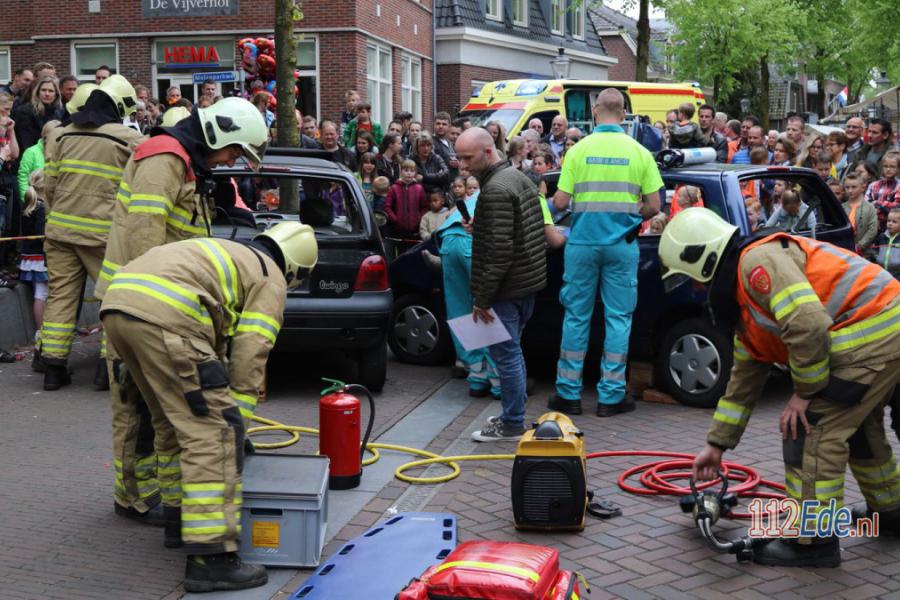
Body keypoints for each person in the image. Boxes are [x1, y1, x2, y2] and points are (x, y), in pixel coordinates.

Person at [660, 207, 900, 567]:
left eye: (692, 279)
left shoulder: (756, 264)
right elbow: (743, 381)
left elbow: (807, 324)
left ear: (704, 259)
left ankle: (812, 542)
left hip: (870, 331)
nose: (696, 289)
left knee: (809, 430)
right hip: (882, 328)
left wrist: (805, 393)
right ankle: (892, 510)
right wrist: (715, 445)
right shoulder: (744, 297)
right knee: (857, 427)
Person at [101, 222, 317, 592]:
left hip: (119, 305)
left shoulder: (229, 252)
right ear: (296, 269)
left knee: (170, 421)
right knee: (213, 433)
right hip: (166, 316)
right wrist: (238, 424)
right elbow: (251, 350)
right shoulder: (271, 277)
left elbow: (209, 344)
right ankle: (210, 559)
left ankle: (177, 520)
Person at [94, 96, 267, 533]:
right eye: (234, 151)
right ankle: (131, 497)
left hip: (158, 303)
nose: (231, 161)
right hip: (142, 303)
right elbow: (144, 237)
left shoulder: (187, 164)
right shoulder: (163, 158)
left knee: (159, 409)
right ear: (219, 136)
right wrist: (157, 306)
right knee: (134, 406)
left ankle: (159, 491)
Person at [547, 88, 662, 418]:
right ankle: (611, 396)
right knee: (618, 317)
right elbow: (654, 205)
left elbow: (560, 203)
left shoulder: (579, 151)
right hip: (621, 245)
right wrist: (627, 218)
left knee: (576, 316)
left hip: (582, 245)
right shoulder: (639, 152)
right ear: (623, 114)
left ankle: (568, 393)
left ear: (595, 112)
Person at [37, 75, 144, 391]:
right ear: (121, 107)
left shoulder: (62, 135)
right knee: (113, 299)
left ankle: (54, 368)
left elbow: (50, 186)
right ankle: (106, 370)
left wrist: (59, 216)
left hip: (60, 232)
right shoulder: (129, 139)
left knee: (61, 297)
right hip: (104, 236)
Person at [457, 127, 546, 441]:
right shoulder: (516, 177)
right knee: (513, 354)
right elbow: (518, 234)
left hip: (506, 289)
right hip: (525, 284)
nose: (462, 165)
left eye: (468, 157)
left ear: (488, 151)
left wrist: (482, 298)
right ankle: (512, 415)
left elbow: (499, 252)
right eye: (459, 157)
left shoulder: (494, 189)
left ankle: (511, 422)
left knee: (506, 356)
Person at [433, 183, 501, 398]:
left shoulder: (484, 192)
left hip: (448, 239)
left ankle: (477, 376)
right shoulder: (512, 191)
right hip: (473, 241)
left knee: (461, 311)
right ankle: (498, 381)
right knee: (488, 308)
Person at [19, 170, 48, 337]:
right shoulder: (41, 207)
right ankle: (41, 332)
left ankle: (42, 331)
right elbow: (41, 235)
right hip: (39, 258)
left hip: (29, 257)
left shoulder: (29, 204)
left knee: (41, 294)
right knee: (42, 294)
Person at [13, 75, 64, 153]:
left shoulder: (59, 112)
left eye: (51, 91)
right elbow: (25, 142)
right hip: (33, 156)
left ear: (56, 94)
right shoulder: (25, 111)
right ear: (37, 92)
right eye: (43, 90)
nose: (47, 94)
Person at [17, 118, 59, 200]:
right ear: (46, 138)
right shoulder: (31, 152)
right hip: (34, 201)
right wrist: (27, 200)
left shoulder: (61, 153)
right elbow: (23, 178)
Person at [385, 159, 427, 238]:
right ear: (401, 172)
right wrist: (395, 219)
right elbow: (387, 206)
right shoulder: (394, 188)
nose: (409, 173)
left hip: (415, 229)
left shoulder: (419, 188)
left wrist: (419, 219)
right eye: (406, 170)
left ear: (415, 173)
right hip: (398, 229)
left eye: (412, 171)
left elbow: (424, 207)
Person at [842, 173, 878, 257]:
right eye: (847, 187)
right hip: (844, 251)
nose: (850, 190)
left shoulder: (869, 207)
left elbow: (872, 230)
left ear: (863, 187)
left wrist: (859, 246)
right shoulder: (842, 207)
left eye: (854, 187)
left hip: (863, 254)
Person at [865, 150, 900, 232]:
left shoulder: (898, 186)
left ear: (898, 168)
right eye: (885, 166)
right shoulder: (873, 185)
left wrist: (877, 203)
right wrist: (875, 215)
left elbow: (897, 207)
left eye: (892, 166)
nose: (888, 169)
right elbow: (866, 204)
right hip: (872, 224)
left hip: (892, 227)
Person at [874, 207, 900, 280]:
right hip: (881, 275)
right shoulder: (882, 236)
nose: (890, 224)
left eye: (894, 222)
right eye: (888, 221)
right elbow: (875, 250)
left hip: (897, 277)